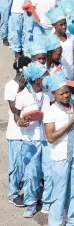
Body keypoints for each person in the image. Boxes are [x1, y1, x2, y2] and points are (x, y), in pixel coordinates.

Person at [43, 71, 74, 226]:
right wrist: (70, 122)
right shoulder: (50, 112)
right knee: (59, 192)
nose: (65, 95)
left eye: (67, 92)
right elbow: (50, 137)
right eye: (61, 93)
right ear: (53, 94)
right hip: (60, 156)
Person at [14, 62, 51, 218]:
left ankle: (48, 202)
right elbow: (16, 113)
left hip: (48, 140)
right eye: (45, 77)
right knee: (32, 174)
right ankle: (30, 203)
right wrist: (19, 121)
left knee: (49, 173)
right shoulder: (22, 96)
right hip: (30, 141)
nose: (48, 80)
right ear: (37, 80)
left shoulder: (48, 94)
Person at [4, 56, 31, 207]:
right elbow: (14, 109)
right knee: (16, 165)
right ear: (21, 70)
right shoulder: (10, 86)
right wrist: (21, 89)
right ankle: (13, 194)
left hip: (27, 132)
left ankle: (28, 192)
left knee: (26, 164)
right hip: (15, 133)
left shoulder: (30, 84)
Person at [48, 7, 74, 80]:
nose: (64, 27)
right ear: (53, 25)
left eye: (65, 23)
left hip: (71, 75)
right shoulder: (50, 40)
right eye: (61, 25)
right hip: (58, 78)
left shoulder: (71, 37)